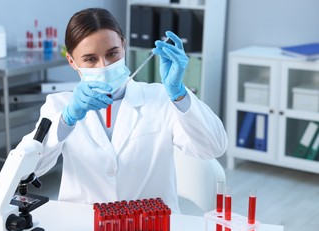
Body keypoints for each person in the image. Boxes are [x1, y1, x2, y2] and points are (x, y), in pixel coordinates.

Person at [19, 7, 228, 213]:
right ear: (72, 62)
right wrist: (66, 120)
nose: (105, 65)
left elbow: (214, 147)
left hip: (151, 227)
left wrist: (179, 94)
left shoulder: (160, 98)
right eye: (90, 59)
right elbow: (28, 171)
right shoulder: (59, 106)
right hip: (82, 227)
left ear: (124, 47)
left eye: (112, 53)